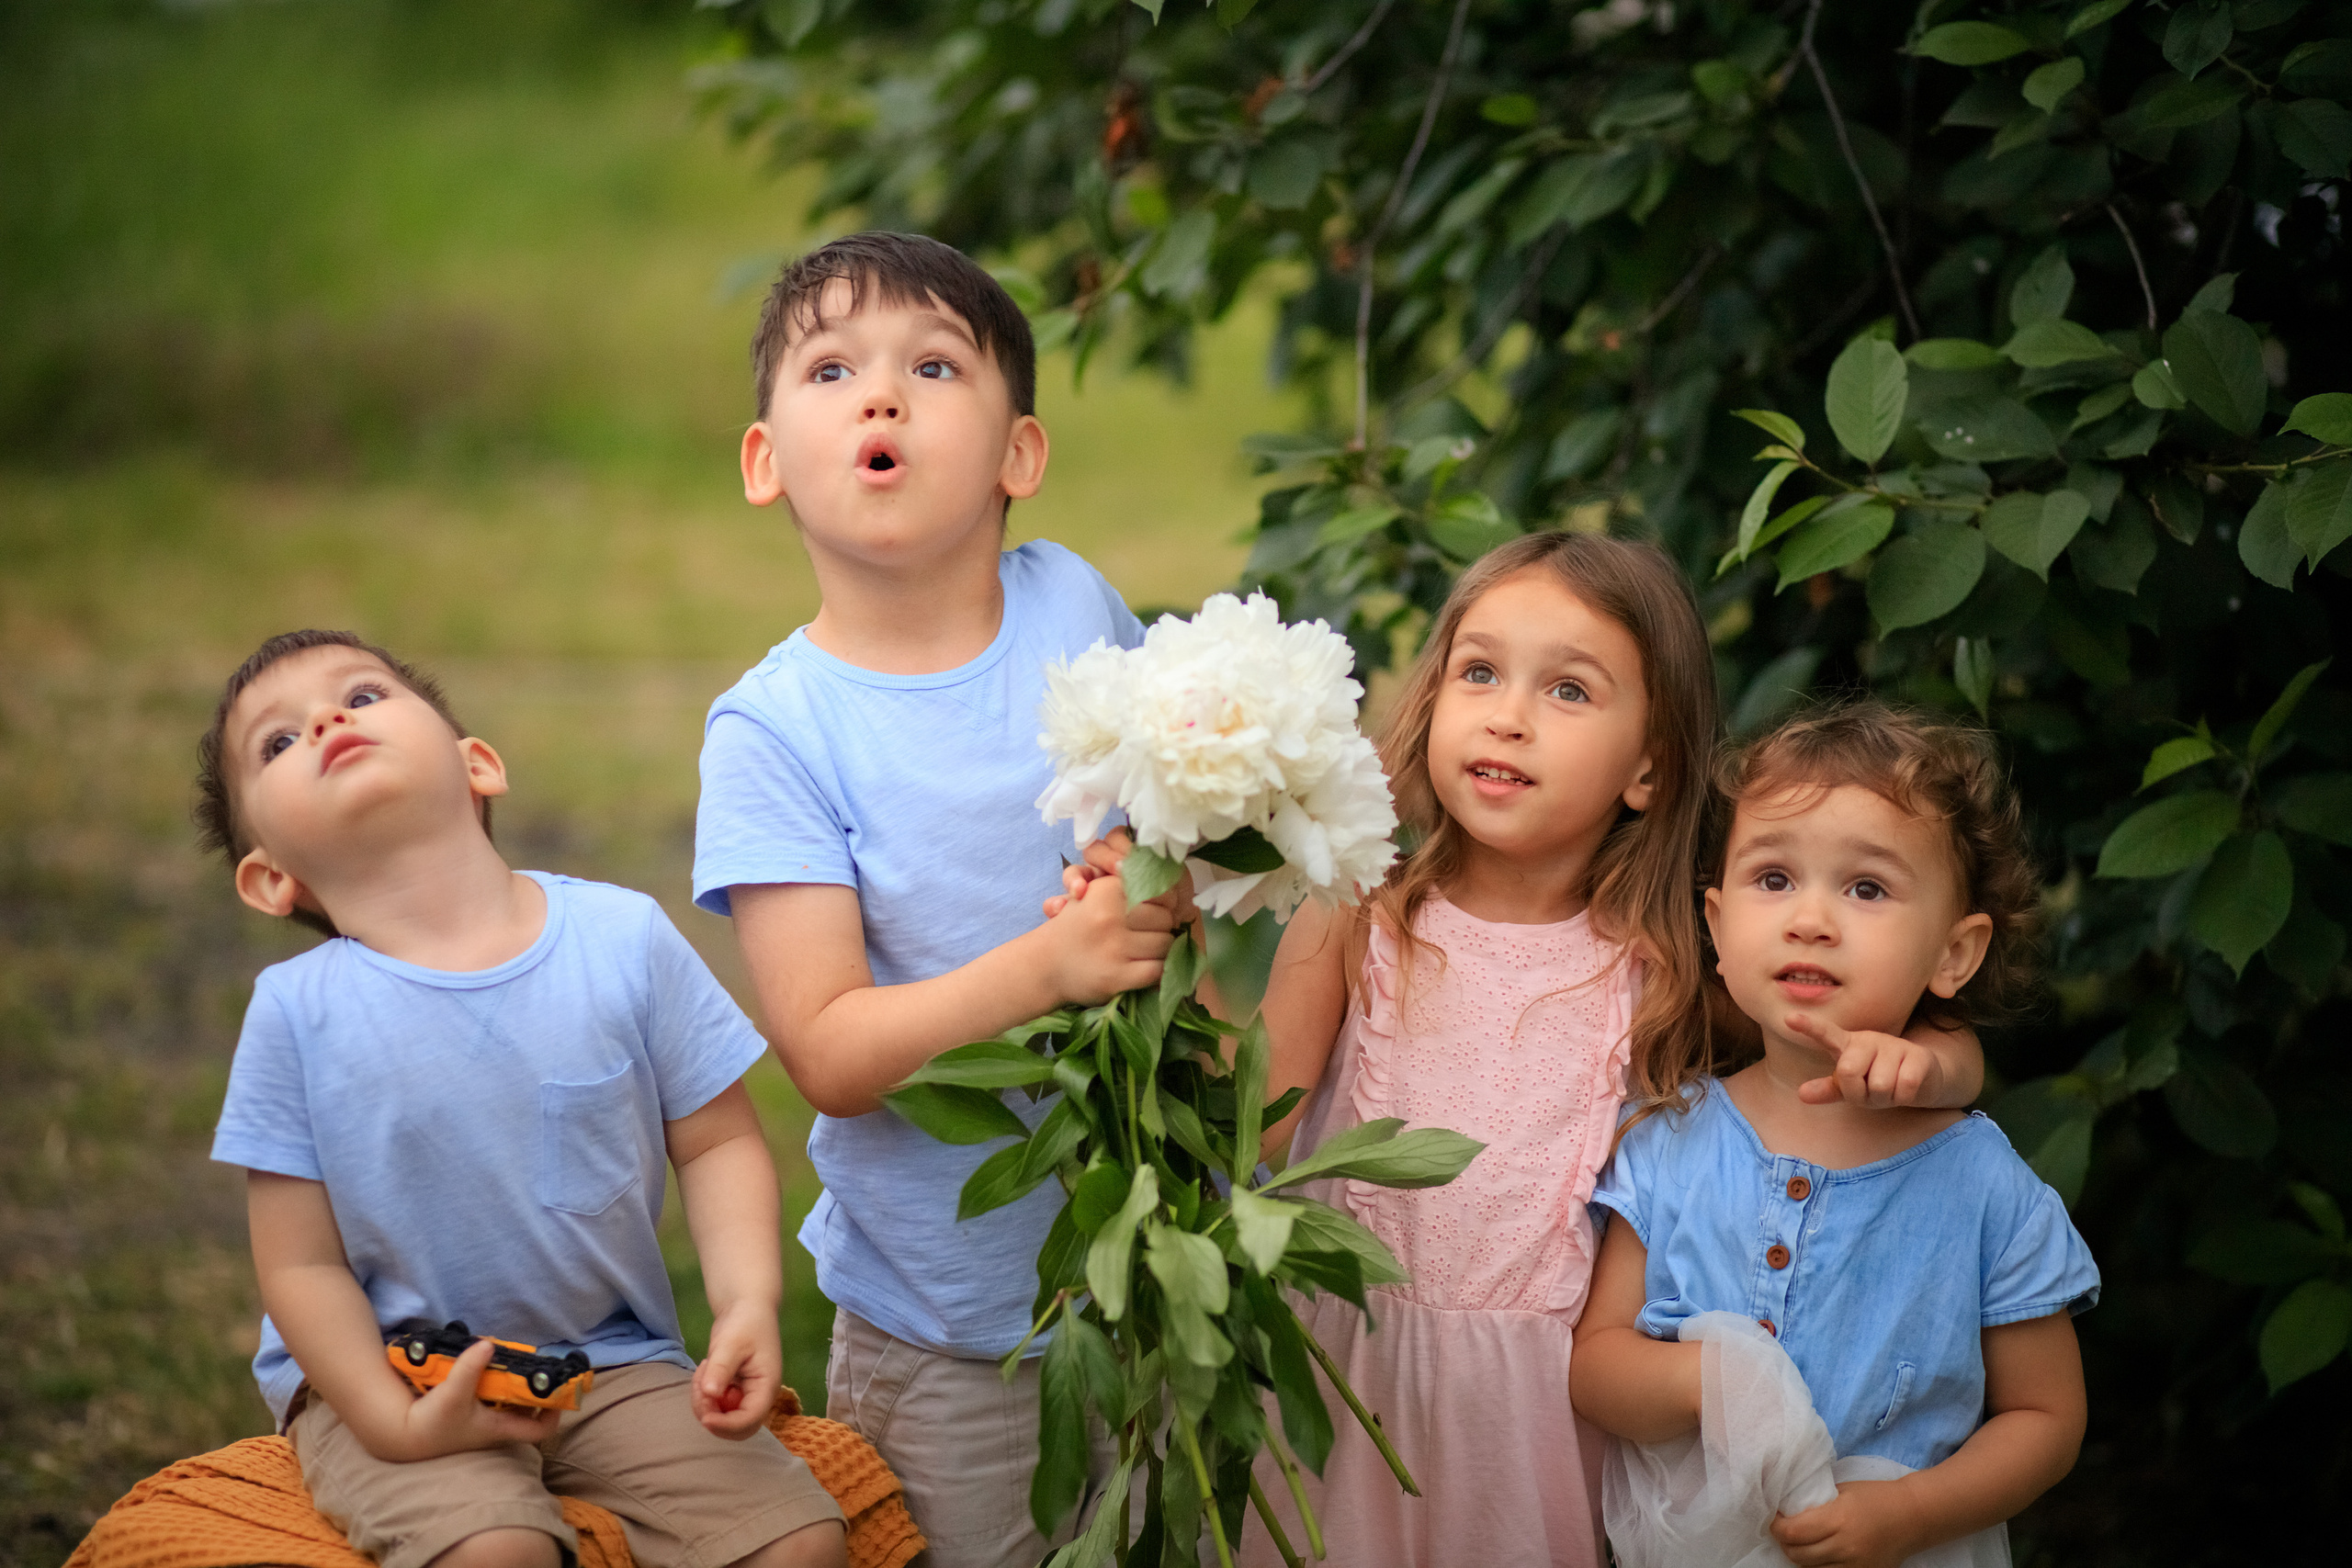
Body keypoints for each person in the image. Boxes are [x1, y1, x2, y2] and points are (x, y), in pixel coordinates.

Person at [1235, 536, 1988, 1568]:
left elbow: (1880, 1044)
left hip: (1535, 1423)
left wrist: (1940, 1070)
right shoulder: (1360, 912)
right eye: (1480, 671)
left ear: (1648, 768)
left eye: (1569, 691)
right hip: (1344, 1379)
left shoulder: (1666, 963)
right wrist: (1152, 947)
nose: (1508, 714)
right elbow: (1244, 1124)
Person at [693, 231, 1180, 1568]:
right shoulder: (776, 732)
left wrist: (1146, 878)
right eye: (834, 367)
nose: (882, 395)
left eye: (935, 365)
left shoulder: (1073, 601)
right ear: (764, 460)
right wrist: (1052, 968)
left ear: (1020, 454)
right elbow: (831, 1052)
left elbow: (1156, 825)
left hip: (1156, 1258)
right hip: (952, 1327)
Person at [199, 629, 847, 1568]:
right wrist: (393, 1426)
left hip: (608, 1366)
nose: (328, 721)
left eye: (365, 695)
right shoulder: (296, 1015)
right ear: (268, 878)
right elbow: (299, 1267)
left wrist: (746, 1300)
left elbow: (715, 1143)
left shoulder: (621, 938)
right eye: (278, 741)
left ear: (477, 766)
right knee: (495, 1552)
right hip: (392, 1379)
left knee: (798, 1541)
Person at [1572, 702, 2097, 1568]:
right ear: (1715, 923)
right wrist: (1705, 1381)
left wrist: (1912, 1511)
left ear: (1954, 955)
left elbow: (2047, 1418)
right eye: (1773, 879)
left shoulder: (1981, 1184)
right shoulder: (1670, 1136)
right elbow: (1596, 1365)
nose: (1811, 917)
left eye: (1867, 888)